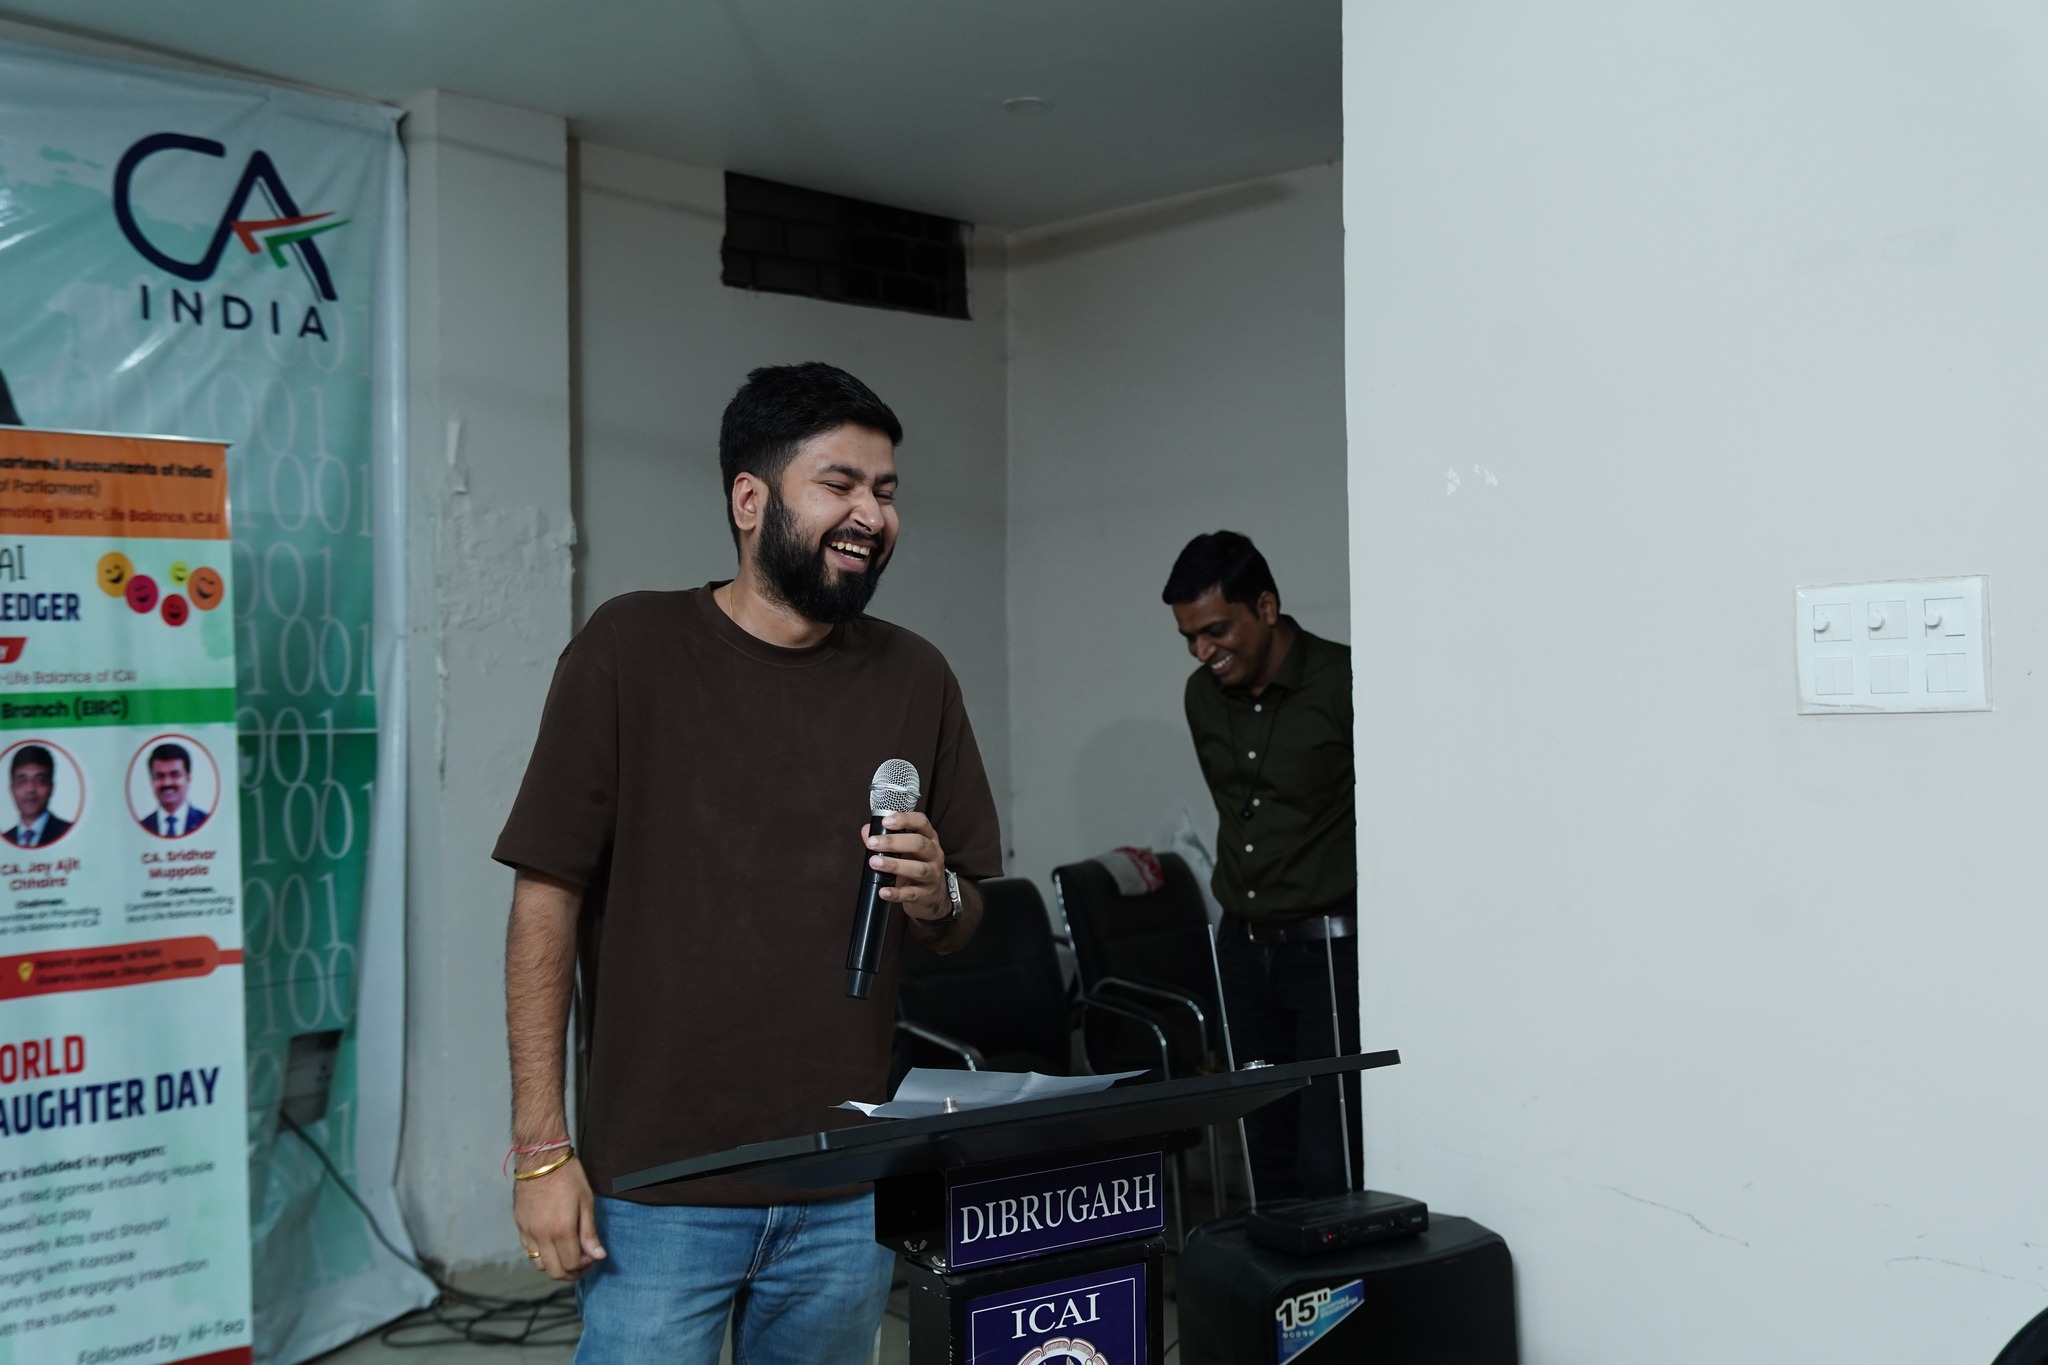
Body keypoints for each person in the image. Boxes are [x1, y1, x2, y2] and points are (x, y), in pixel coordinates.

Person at [495, 362, 1002, 1365]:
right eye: (839, 484)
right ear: (749, 500)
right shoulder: (628, 650)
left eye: (885, 491)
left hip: (843, 1186)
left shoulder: (916, 676)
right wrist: (540, 1151)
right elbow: (546, 900)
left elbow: (966, 908)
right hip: (659, 1193)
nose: (871, 515)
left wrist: (936, 891)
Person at [1163, 531, 1358, 1201]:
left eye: (1216, 630)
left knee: (1332, 1158)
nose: (1202, 652)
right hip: (1242, 950)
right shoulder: (1201, 696)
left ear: (1267, 607)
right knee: (1264, 1155)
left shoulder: (1345, 681)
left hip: (1329, 950)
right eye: (1189, 637)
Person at [5, 744, 71, 848]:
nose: (30, 789)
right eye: (22, 781)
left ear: (51, 787)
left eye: (40, 781)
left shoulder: (68, 832)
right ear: (12, 789)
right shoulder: (5, 839)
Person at [140, 743, 208, 837]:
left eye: (175, 775)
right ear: (152, 781)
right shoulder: (142, 827)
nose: (167, 783)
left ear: (188, 779)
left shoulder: (206, 822)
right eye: (160, 776)